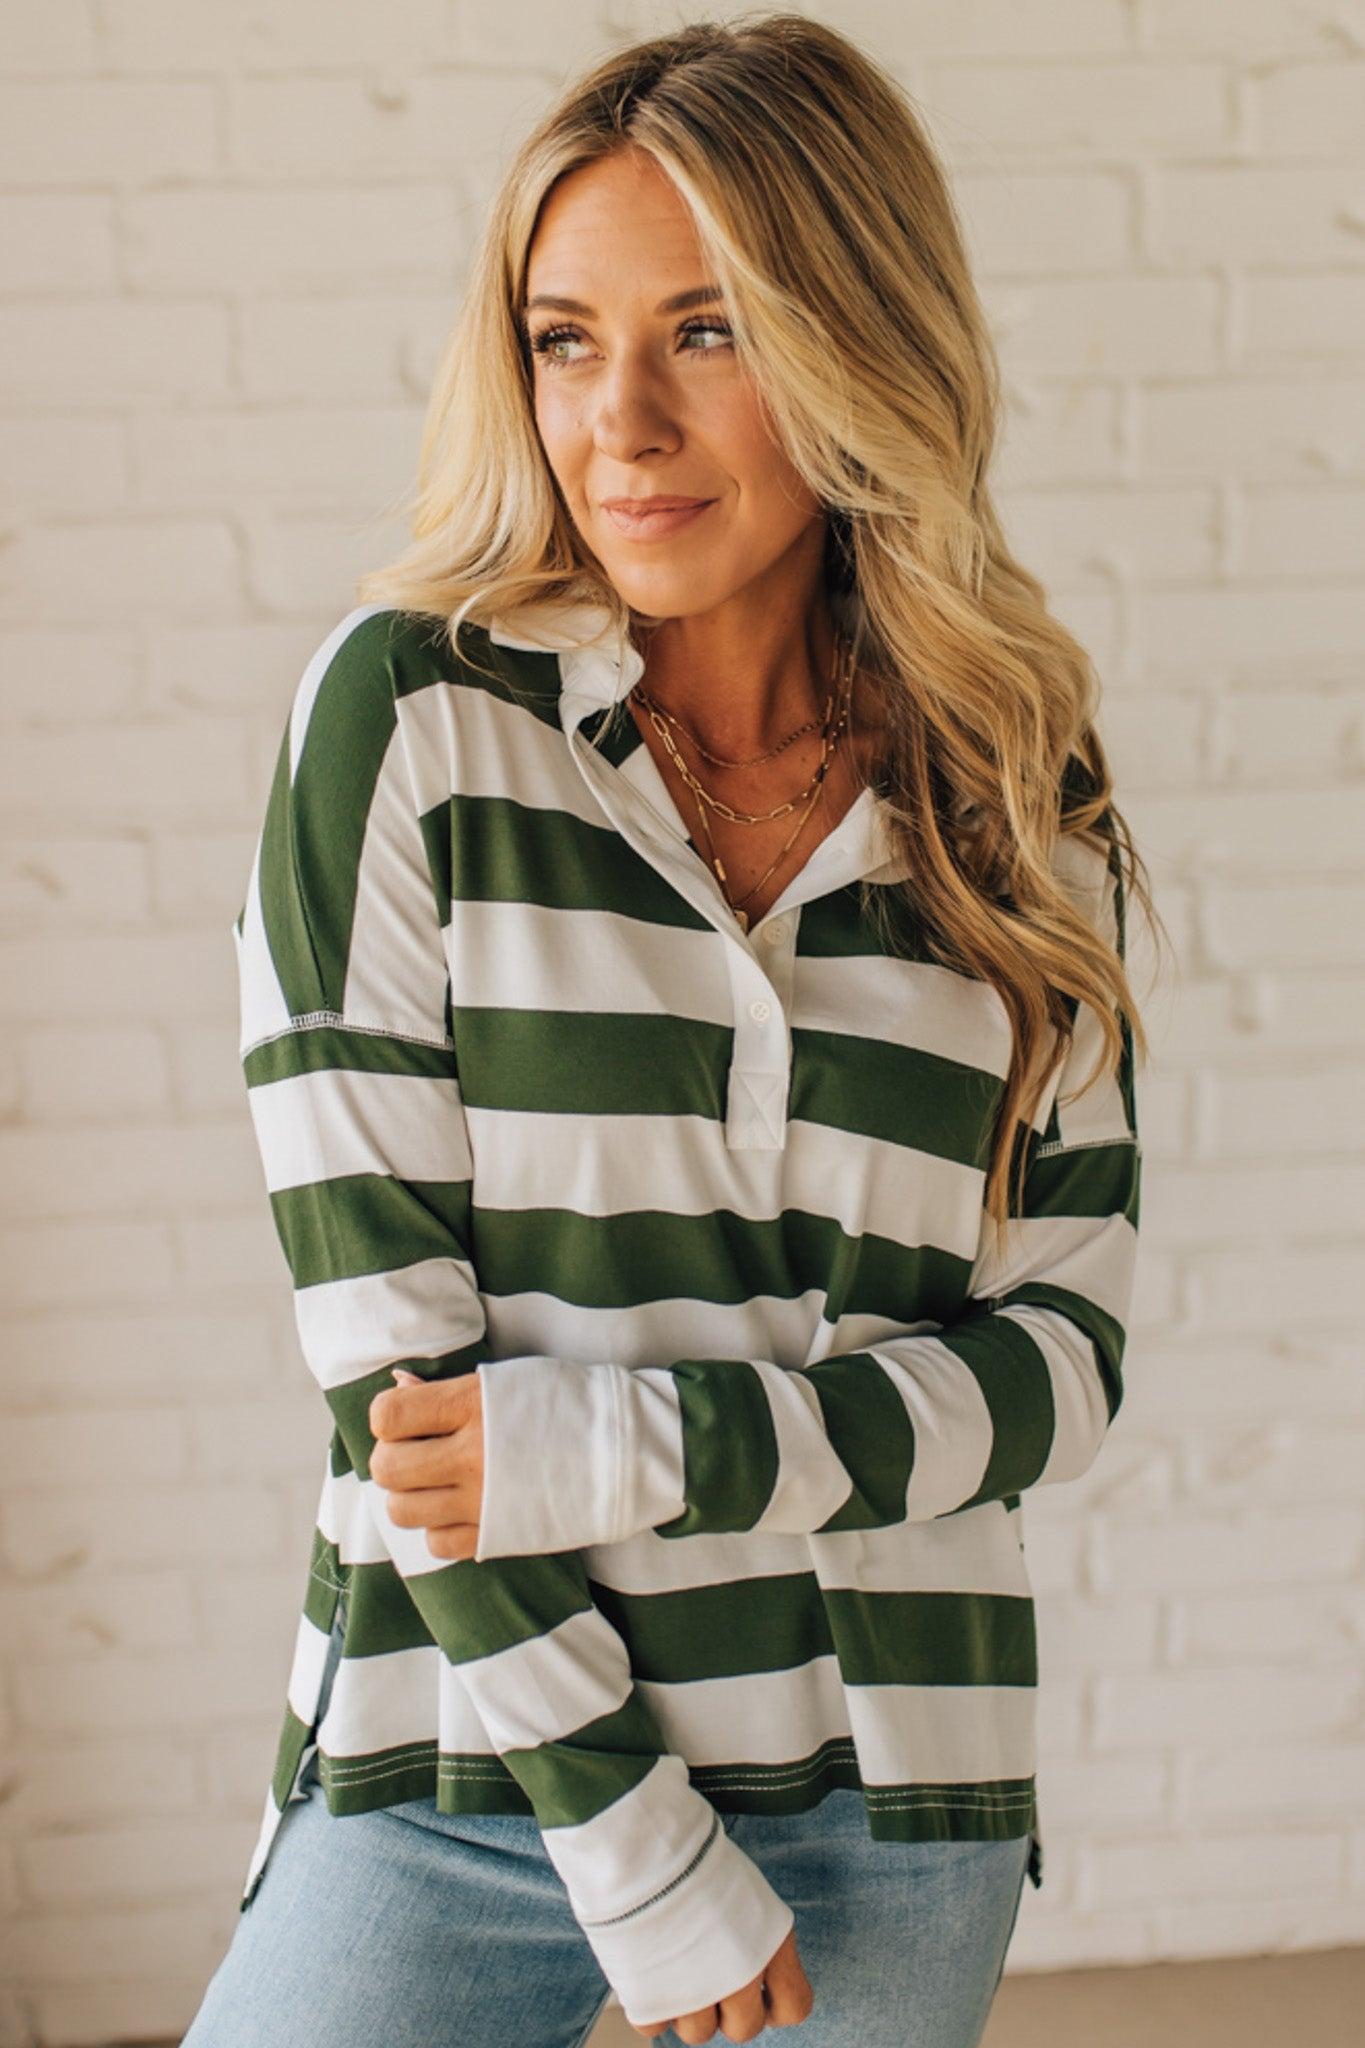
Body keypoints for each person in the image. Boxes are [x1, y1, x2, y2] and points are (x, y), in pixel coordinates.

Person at [182, 13, 1164, 2047]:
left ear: (851, 340)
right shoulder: (407, 724)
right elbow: (398, 1391)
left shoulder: (1011, 797)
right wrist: (632, 1847)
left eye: (706, 331)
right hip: (458, 1764)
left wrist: (636, 1443)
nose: (614, 418)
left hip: (888, 1784)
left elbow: (1059, 1363)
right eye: (560, 337)